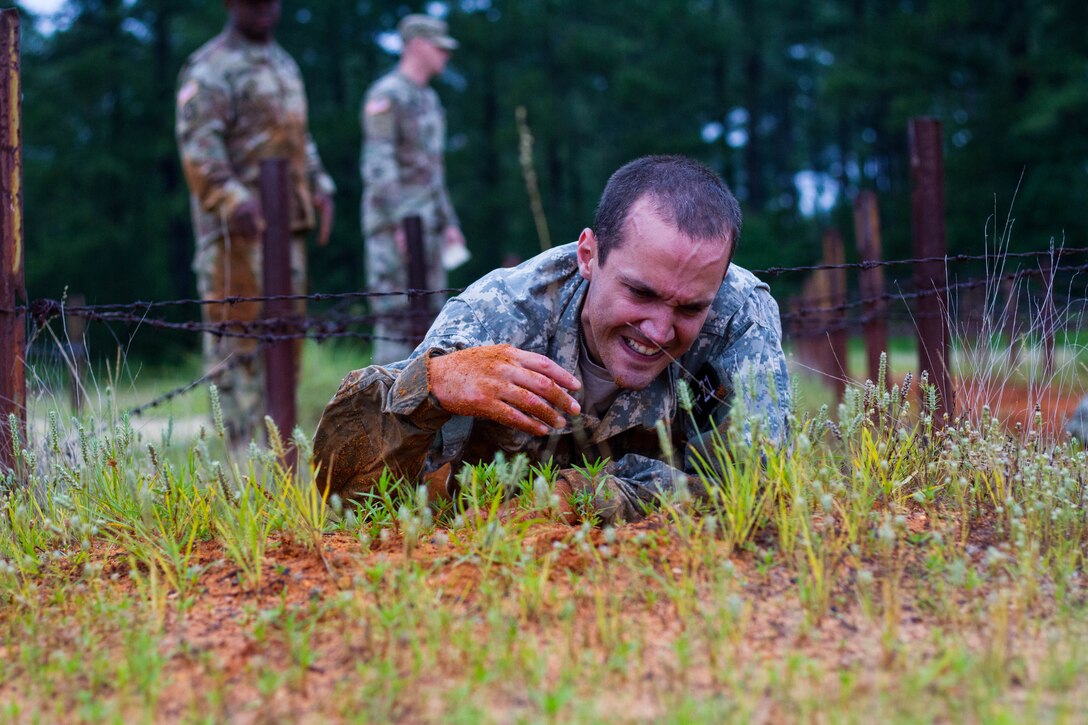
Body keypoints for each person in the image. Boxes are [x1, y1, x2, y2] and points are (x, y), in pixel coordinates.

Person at [313, 155, 790, 525]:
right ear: (588, 255)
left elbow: (749, 490)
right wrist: (432, 385)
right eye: (640, 293)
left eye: (690, 308)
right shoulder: (497, 313)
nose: (660, 332)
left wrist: (586, 496)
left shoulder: (738, 313)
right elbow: (350, 501)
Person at [175, 0, 336, 448]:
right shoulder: (210, 67)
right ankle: (239, 459)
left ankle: (280, 455)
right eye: (253, 1)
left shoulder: (283, 63)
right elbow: (198, 146)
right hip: (234, 237)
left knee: (286, 346)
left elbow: (299, 138)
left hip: (288, 235)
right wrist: (234, 199)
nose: (265, 8)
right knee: (237, 347)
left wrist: (320, 185)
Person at [361, 13, 467, 365]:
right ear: (417, 45)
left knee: (431, 321)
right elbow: (379, 164)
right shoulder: (387, 95)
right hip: (396, 229)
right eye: (439, 47)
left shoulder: (429, 101)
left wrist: (448, 222)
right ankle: (382, 409)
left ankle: (420, 409)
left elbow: (433, 173)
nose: (445, 55)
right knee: (396, 320)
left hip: (428, 229)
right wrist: (397, 223)